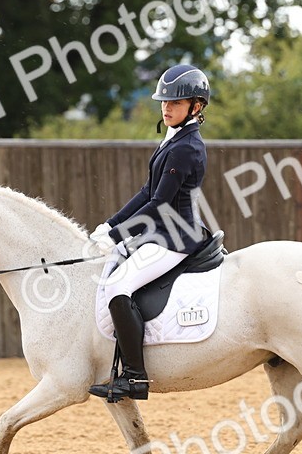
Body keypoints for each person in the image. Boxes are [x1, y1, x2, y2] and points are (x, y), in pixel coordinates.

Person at [88, 64, 212, 400]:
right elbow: (147, 192)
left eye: (176, 103)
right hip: (162, 232)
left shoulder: (187, 147)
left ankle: (135, 377)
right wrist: (111, 225)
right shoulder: (173, 140)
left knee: (117, 285)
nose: (167, 108)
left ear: (196, 107)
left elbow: (159, 205)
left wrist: (117, 236)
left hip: (177, 237)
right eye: (164, 102)